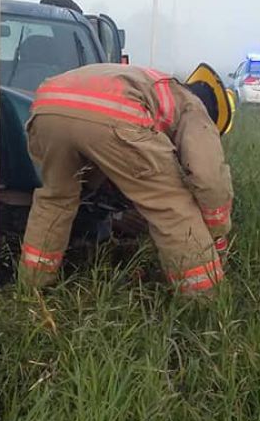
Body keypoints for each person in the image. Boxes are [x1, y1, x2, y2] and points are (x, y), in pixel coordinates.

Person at [20, 63, 234, 296]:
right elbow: (207, 175)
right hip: (115, 113)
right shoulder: (194, 106)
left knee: (55, 200)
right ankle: (204, 300)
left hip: (47, 107)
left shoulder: (149, 81)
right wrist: (217, 226)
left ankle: (32, 286)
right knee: (172, 207)